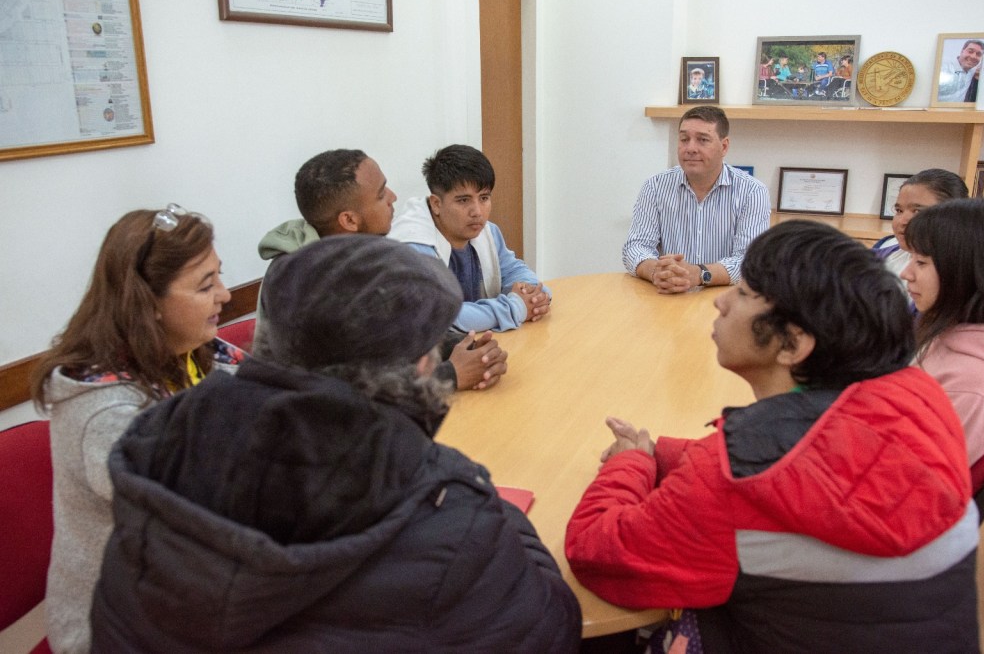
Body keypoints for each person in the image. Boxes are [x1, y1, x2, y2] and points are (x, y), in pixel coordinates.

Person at [90, 235, 583, 652]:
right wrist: (494, 507)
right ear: (418, 369)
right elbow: (554, 626)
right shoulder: (452, 515)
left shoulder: (157, 452)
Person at [567, 220, 979, 653]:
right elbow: (816, 467)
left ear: (792, 345)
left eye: (744, 293)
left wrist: (627, 464)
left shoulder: (732, 476)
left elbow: (597, 552)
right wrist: (659, 451)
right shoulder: (919, 398)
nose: (722, 303)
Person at [29, 205, 243, 654]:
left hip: (191, 587)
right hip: (119, 626)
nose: (224, 295)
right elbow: (200, 508)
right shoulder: (104, 409)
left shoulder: (197, 352)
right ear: (149, 305)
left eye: (219, 276)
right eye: (206, 286)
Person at [257, 148, 507, 390]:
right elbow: (341, 385)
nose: (393, 197)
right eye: (380, 194)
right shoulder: (304, 283)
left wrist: (464, 347)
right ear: (349, 220)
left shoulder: (363, 255)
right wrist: (451, 374)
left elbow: (403, 328)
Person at [901, 197, 984, 493]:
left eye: (921, 262)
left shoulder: (974, 384)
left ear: (968, 272)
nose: (906, 273)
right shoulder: (954, 339)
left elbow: (909, 487)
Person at [388, 144, 551, 332]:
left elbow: (514, 270)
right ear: (436, 204)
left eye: (484, 198)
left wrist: (533, 296)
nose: (477, 212)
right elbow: (439, 317)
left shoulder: (488, 232)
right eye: (463, 200)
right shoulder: (413, 247)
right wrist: (516, 308)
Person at [622, 105, 770, 294]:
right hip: (668, 297)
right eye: (684, 139)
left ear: (724, 146)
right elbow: (636, 246)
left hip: (724, 301)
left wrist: (700, 274)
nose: (690, 148)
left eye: (702, 140)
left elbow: (750, 263)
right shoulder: (655, 186)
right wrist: (656, 272)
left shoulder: (752, 192)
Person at [872, 168, 968, 284]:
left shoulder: (962, 280)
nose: (901, 221)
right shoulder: (882, 257)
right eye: (899, 210)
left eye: (917, 211)